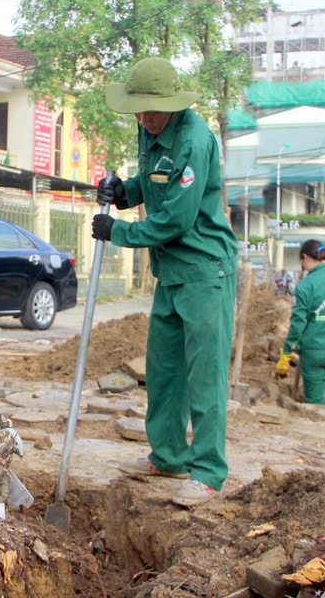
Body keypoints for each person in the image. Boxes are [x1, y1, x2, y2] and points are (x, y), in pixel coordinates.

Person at [92, 57, 238, 507]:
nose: (143, 120)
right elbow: (156, 184)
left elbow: (175, 216)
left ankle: (208, 472)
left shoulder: (194, 139)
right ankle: (168, 455)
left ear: (172, 106)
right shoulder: (150, 128)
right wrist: (126, 192)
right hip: (170, 273)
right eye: (137, 111)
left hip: (204, 271)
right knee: (164, 370)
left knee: (205, 376)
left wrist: (120, 232)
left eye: (150, 112)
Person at [275, 240, 325, 405]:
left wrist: (287, 352)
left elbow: (298, 324)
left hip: (316, 353)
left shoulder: (305, 286)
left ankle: (320, 411)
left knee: (314, 405)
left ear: (305, 257)